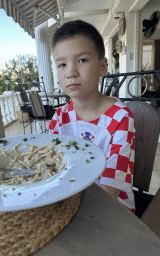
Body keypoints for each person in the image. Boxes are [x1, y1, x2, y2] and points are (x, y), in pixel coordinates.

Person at [48, 20, 135, 213]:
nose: (71, 72)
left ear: (103, 66)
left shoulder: (120, 118)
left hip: (113, 210)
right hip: (69, 203)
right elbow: (52, 169)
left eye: (82, 60)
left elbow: (110, 190)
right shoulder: (59, 118)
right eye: (62, 64)